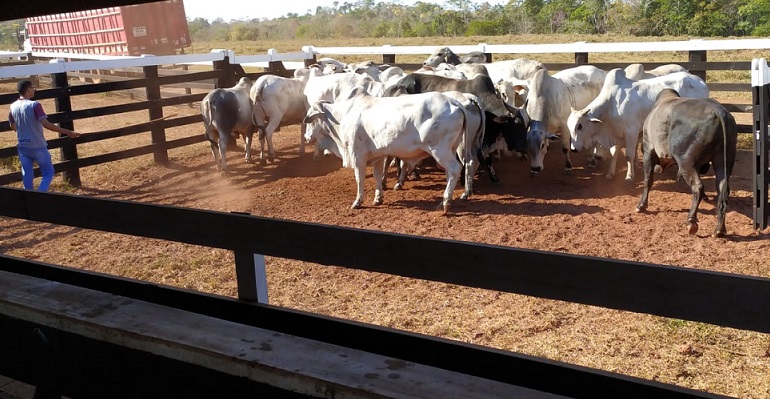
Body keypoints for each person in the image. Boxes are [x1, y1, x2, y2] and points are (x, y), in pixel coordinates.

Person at [8, 79, 81, 191]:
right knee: (48, 172)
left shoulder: (12, 106)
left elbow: (13, 126)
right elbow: (46, 124)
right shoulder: (35, 105)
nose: (34, 89)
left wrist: (23, 130)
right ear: (27, 89)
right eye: (32, 87)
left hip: (23, 146)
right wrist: (68, 132)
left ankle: (28, 196)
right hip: (37, 146)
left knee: (27, 173)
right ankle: (40, 194)